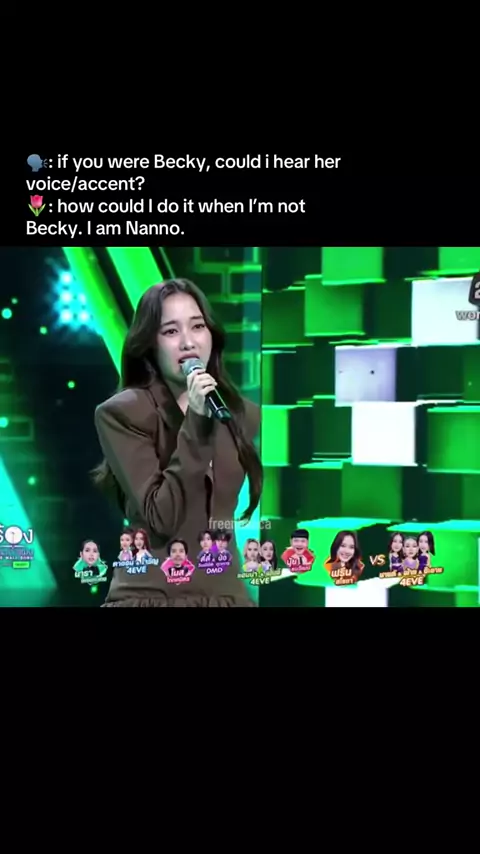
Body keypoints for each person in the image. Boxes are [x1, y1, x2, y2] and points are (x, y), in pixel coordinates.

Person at [93, 278, 263, 607]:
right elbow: (163, 516)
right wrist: (196, 421)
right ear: (149, 345)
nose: (188, 342)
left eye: (197, 326)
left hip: (226, 596)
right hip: (153, 596)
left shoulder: (240, 415)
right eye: (171, 331)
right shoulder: (123, 414)